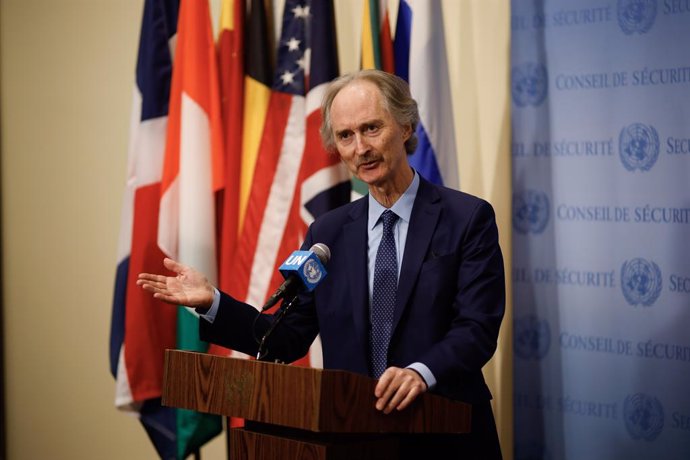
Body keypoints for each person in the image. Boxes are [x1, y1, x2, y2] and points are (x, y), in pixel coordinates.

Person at [138, 69, 505, 459]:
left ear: (405, 126)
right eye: (346, 136)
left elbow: (477, 327)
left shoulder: (466, 218)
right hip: (354, 440)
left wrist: (420, 372)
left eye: (371, 128)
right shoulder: (327, 234)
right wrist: (211, 302)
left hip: (447, 438)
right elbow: (285, 336)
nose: (360, 147)